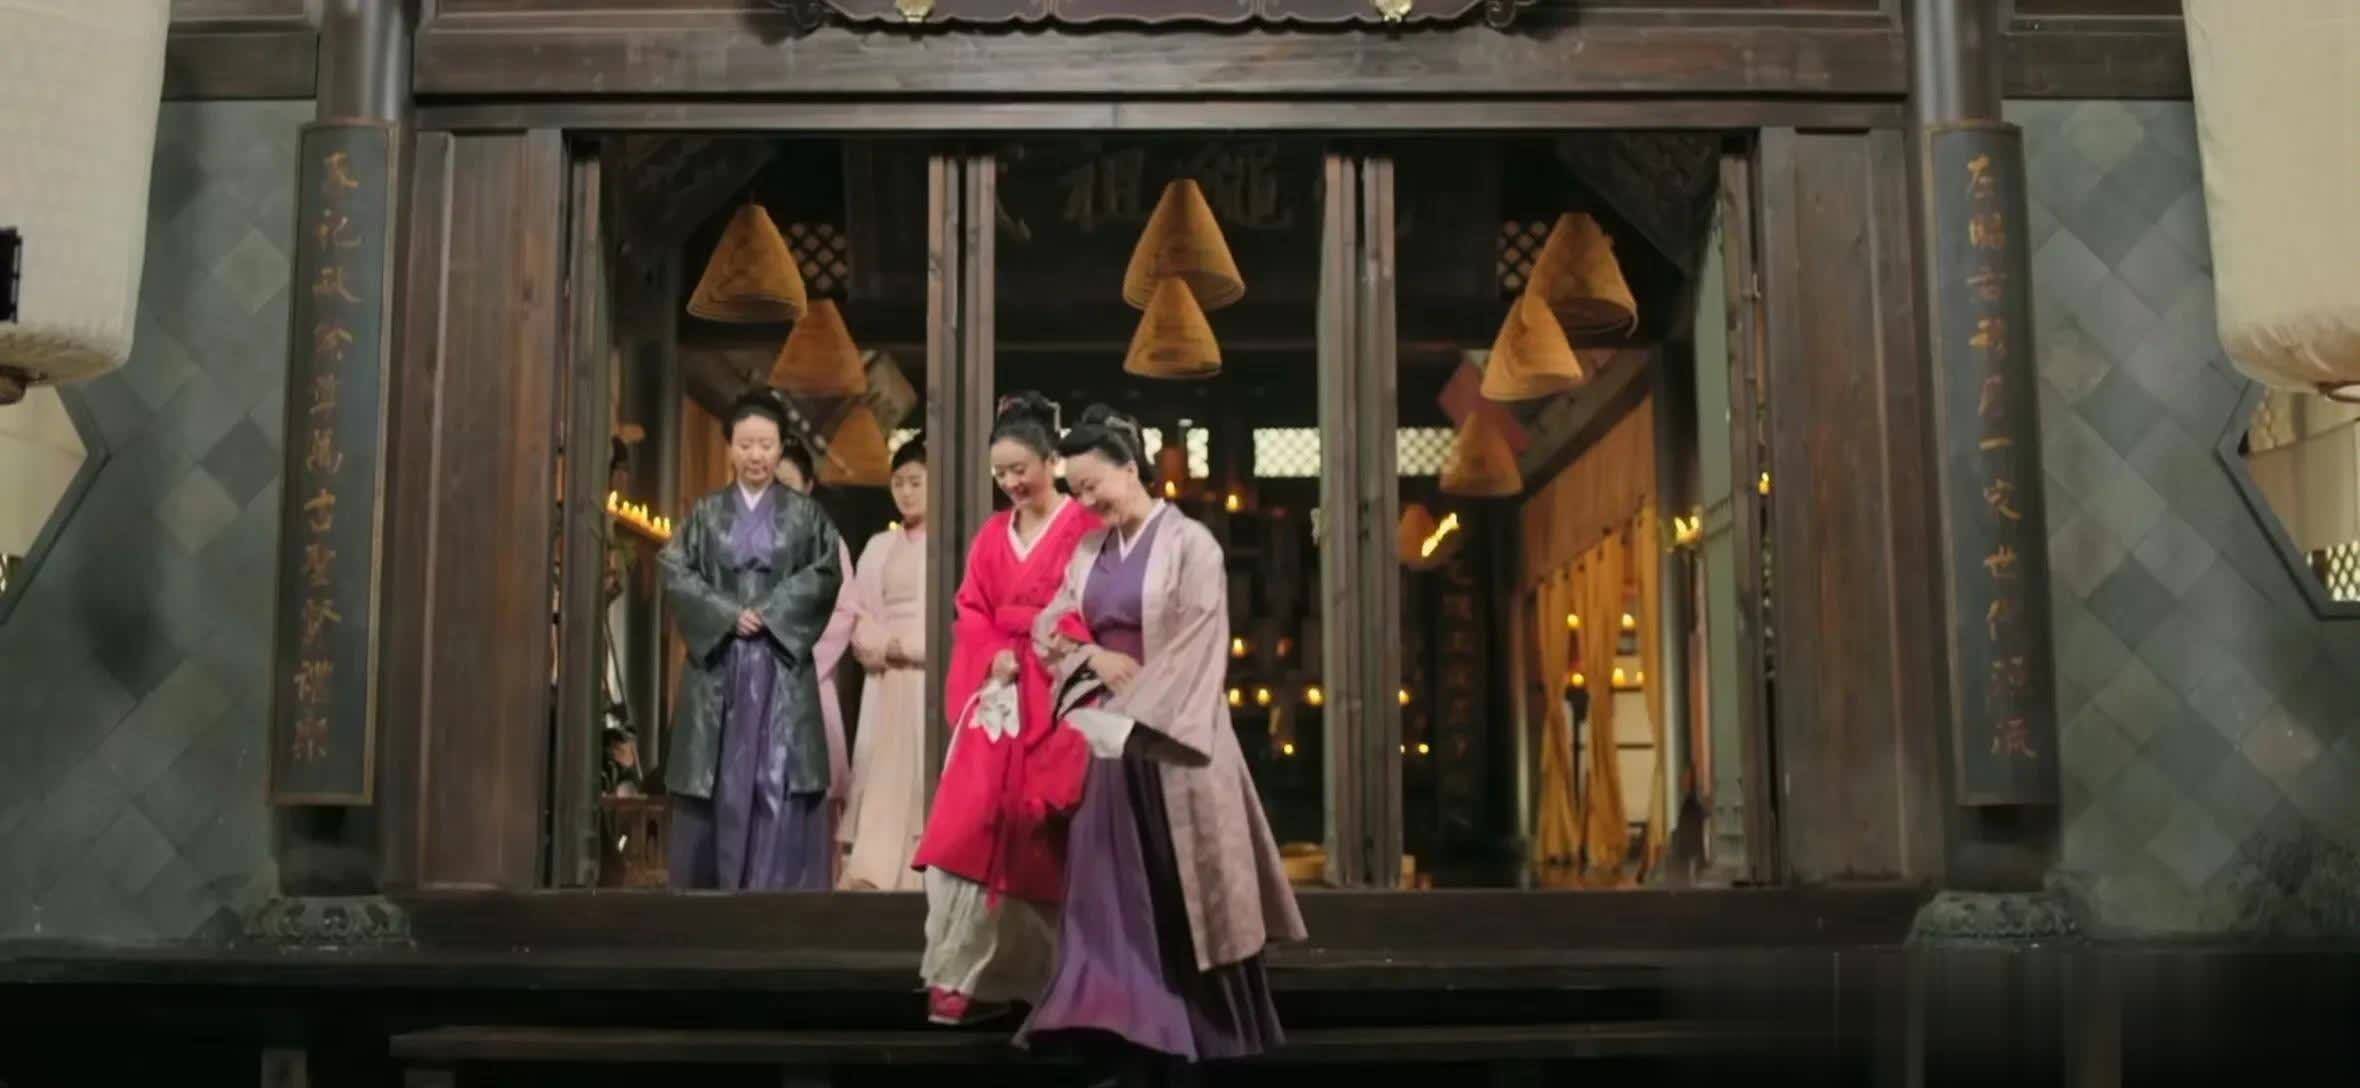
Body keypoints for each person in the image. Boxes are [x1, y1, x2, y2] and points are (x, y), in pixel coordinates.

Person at [1015, 405, 1305, 1077]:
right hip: (1109, 740)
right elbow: (1051, 627)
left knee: (1179, 885)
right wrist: (1094, 659)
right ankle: (1112, 1023)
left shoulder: (1191, 544)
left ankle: (1185, 1029)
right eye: (1076, 492)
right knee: (1103, 887)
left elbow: (1200, 642)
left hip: (1173, 732)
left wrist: (1135, 708)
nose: (1087, 503)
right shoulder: (1088, 552)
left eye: (1094, 486)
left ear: (1129, 468)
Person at [911, 393, 1098, 1026]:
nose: (1012, 483)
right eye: (1001, 473)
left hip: (1056, 692)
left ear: (1051, 460)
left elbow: (1097, 604)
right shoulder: (993, 535)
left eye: (1021, 468)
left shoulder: (1083, 527)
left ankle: (1047, 980)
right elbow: (972, 608)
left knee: (1042, 833)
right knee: (968, 826)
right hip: (999, 693)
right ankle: (957, 974)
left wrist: (1051, 641)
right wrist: (992, 652)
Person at [659, 391, 845, 891]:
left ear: (781, 448)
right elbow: (674, 569)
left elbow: (826, 572)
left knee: (778, 781)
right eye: (745, 445)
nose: (756, 455)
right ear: (730, 448)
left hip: (779, 662)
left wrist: (772, 612)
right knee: (717, 776)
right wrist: (724, 613)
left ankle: (776, 896)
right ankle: (711, 893)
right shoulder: (705, 513)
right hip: (720, 662)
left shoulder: (806, 515)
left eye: (766, 444)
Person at [837, 437, 931, 891]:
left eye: (916, 482)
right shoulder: (878, 546)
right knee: (879, 770)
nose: (906, 492)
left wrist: (908, 646)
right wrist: (878, 644)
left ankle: (921, 870)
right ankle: (874, 871)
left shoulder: (952, 545)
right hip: (885, 675)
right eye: (898, 483)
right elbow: (856, 611)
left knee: (923, 771)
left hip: (928, 676)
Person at [784, 436, 859, 872]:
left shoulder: (826, 540)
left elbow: (844, 609)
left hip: (808, 675)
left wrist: (799, 654)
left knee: (814, 786)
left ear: (808, 486)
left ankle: (814, 879)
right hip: (756, 674)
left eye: (789, 483)